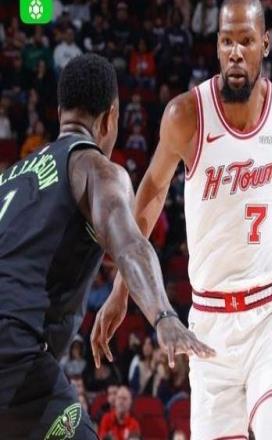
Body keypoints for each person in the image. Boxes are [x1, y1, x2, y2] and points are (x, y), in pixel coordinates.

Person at [91, 1, 272, 439]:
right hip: (210, 325)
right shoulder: (186, 116)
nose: (235, 52)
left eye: (245, 41)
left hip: (271, 315)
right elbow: (147, 202)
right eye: (226, 42)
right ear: (217, 46)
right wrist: (121, 290)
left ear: (266, 43)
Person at [0, 54, 213, 439]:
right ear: (111, 117)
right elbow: (129, 244)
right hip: (14, 350)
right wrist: (163, 315)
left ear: (60, 112)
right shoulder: (94, 169)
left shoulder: (11, 178)